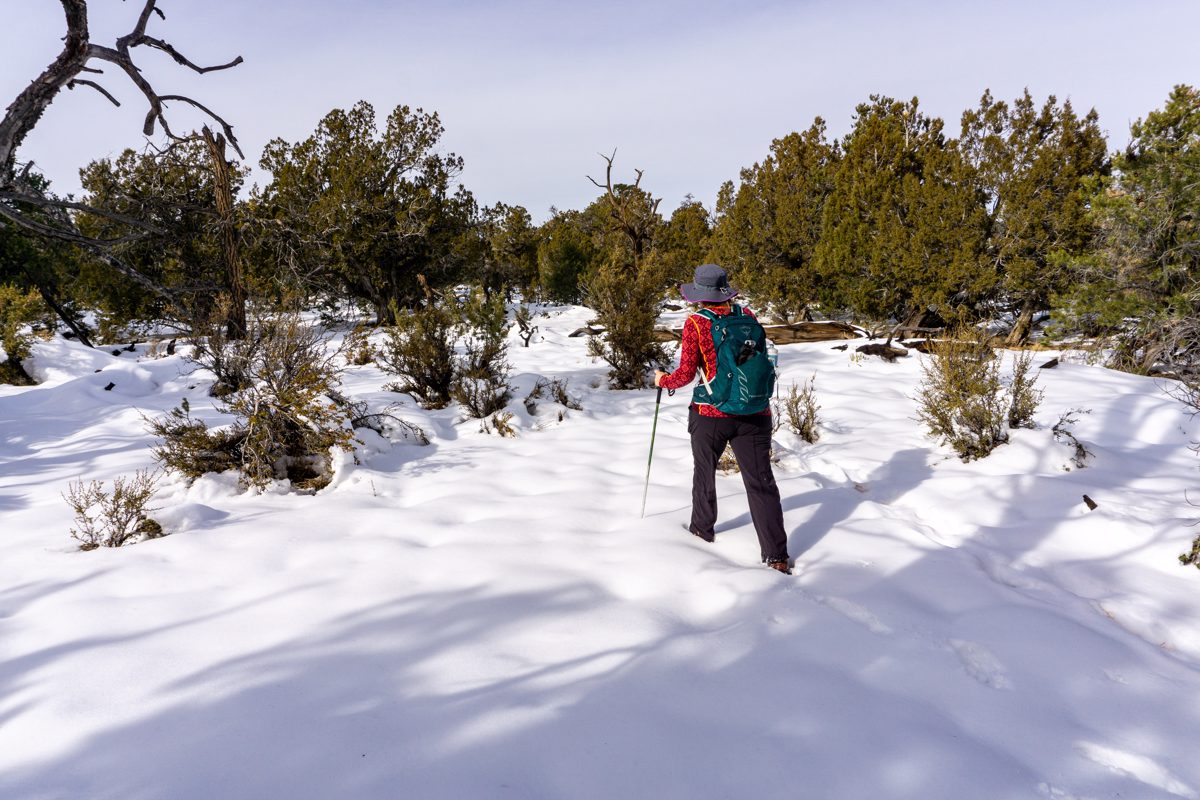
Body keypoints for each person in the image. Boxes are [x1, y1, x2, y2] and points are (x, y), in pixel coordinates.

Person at [654, 264, 791, 574]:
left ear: (698, 296)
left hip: (710, 414)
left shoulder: (696, 324)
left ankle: (702, 534)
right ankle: (777, 557)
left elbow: (686, 374)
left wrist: (662, 380)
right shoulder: (749, 317)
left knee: (705, 473)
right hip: (755, 412)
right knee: (761, 484)